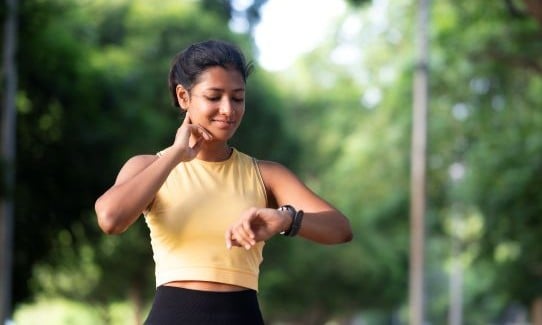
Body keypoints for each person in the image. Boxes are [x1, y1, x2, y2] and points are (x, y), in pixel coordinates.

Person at [95, 39, 353, 324]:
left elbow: (339, 229)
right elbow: (110, 219)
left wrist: (285, 219)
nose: (228, 109)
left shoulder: (266, 175)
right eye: (214, 96)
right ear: (184, 97)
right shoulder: (147, 167)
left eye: (238, 98)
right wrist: (175, 155)